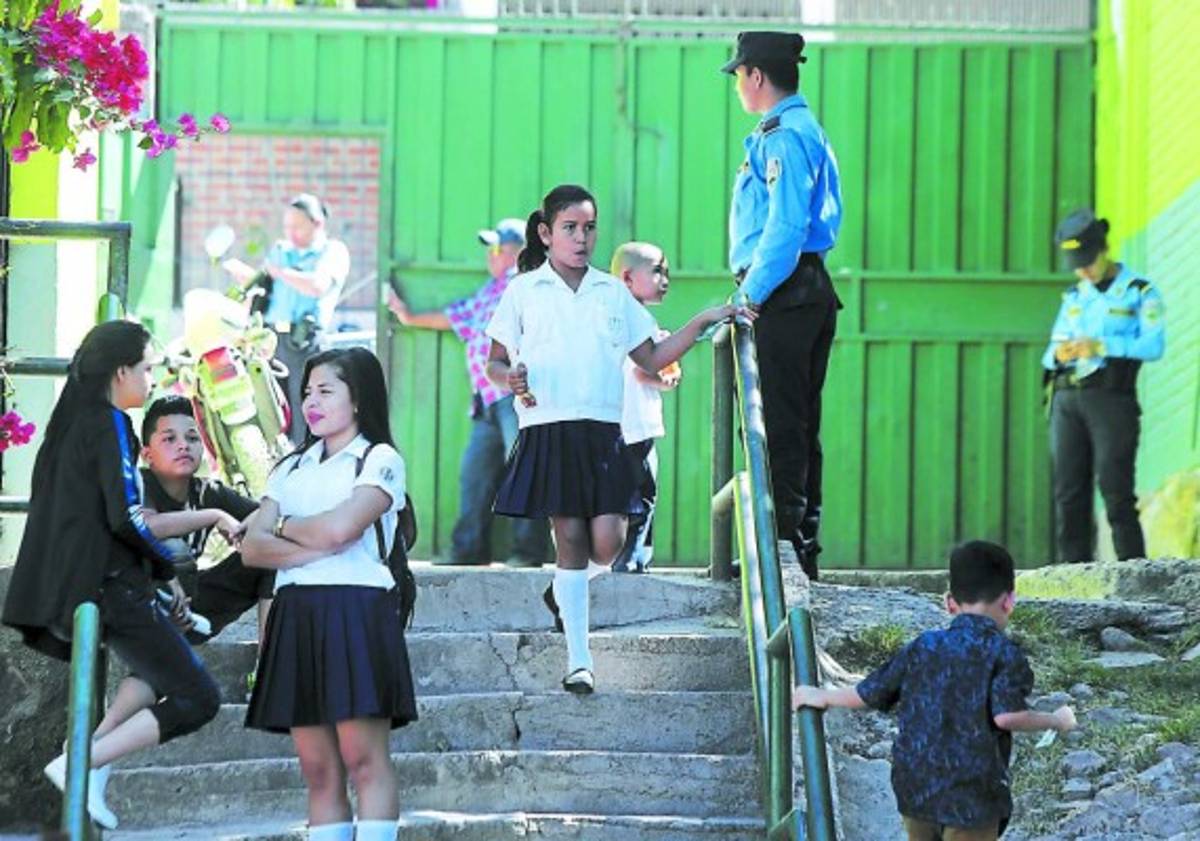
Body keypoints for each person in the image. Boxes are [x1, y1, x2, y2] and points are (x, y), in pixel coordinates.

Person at [484, 184, 753, 694]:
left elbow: (651, 356)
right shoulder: (523, 291)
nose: (581, 238)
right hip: (548, 429)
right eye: (569, 228)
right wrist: (510, 378)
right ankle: (579, 660)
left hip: (606, 432)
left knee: (607, 545)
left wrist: (701, 321)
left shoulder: (611, 292)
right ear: (546, 233)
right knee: (569, 538)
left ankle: (564, 592)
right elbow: (495, 363)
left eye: (589, 228)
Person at [1, 321, 233, 830]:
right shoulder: (107, 423)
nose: (152, 380)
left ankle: (86, 763)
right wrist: (165, 569)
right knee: (200, 698)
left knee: (160, 672)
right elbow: (124, 517)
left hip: (90, 584)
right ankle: (81, 762)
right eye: (147, 369)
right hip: (108, 588)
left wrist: (157, 577)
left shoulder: (73, 421)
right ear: (121, 371)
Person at [241, 347, 416, 841]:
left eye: (325, 391)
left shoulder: (378, 459)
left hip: (356, 610)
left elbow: (342, 529)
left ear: (357, 398)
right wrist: (313, 545)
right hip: (296, 611)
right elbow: (252, 549)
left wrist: (284, 526)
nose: (311, 403)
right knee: (317, 768)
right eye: (307, 393)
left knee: (364, 759)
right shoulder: (290, 467)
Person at [793, 540, 1078, 841]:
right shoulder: (1005, 653)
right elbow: (1006, 717)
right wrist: (1056, 720)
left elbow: (869, 692)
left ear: (949, 603)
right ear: (1009, 602)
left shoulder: (923, 646)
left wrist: (823, 696)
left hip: (916, 791)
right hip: (972, 800)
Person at [723, 31, 842, 581]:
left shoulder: (785, 135)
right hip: (799, 287)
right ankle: (795, 549)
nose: (737, 86)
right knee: (794, 423)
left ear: (755, 75)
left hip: (783, 290)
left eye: (738, 75)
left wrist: (747, 296)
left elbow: (786, 227)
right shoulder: (797, 129)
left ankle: (783, 551)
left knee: (779, 425)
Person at [386, 218, 550, 567]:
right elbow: (453, 317)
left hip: (516, 397)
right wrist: (408, 316)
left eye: (496, 248)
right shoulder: (489, 291)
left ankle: (528, 552)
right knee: (475, 476)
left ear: (517, 252)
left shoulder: (526, 285)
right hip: (487, 401)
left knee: (524, 472)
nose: (490, 255)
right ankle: (468, 550)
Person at [1042, 209, 1165, 564]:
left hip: (1111, 398)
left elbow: (1153, 345)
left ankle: (1134, 570)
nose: (1083, 271)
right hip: (1067, 398)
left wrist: (1102, 346)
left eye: (1088, 261)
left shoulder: (1139, 292)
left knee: (1115, 488)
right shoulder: (1074, 297)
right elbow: (1050, 353)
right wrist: (1060, 353)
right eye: (1076, 265)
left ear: (1104, 249)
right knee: (1068, 492)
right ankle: (1073, 571)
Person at [139, 395, 273, 644]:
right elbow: (146, 525)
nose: (183, 445)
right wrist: (215, 516)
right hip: (140, 607)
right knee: (173, 550)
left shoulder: (207, 492)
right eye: (170, 439)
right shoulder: (139, 484)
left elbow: (266, 513)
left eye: (192, 438)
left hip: (192, 607)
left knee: (268, 553)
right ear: (147, 454)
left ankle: (268, 656)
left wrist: (242, 530)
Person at [223, 193, 351, 446]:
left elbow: (317, 285)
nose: (291, 233)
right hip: (271, 339)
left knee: (305, 410)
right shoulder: (281, 250)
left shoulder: (332, 251)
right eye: (287, 226)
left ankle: (307, 457)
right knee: (271, 409)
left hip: (304, 341)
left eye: (298, 226)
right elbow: (267, 287)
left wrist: (280, 272)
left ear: (317, 224)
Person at [610, 241, 680, 573]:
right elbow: (642, 371)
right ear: (627, 277)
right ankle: (632, 558)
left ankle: (629, 557)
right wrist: (667, 378)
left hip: (616, 423)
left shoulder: (613, 315)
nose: (665, 280)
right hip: (636, 424)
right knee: (644, 491)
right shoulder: (639, 319)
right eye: (657, 272)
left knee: (625, 491)